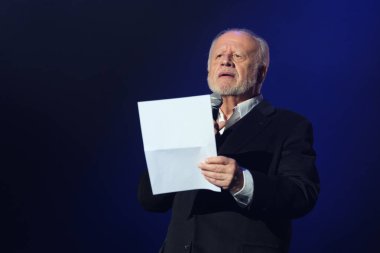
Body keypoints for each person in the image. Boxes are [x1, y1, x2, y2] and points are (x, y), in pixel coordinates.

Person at [138, 28, 319, 253]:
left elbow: (301, 195)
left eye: (237, 56)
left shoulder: (289, 125)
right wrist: (181, 153)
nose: (226, 61)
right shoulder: (186, 119)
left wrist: (241, 182)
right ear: (209, 69)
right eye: (219, 56)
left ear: (261, 72)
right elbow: (150, 201)